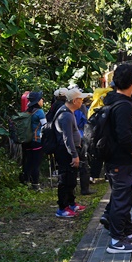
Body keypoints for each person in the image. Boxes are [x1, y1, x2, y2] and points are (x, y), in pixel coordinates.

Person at [100, 64, 132, 253]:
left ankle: (126, 231)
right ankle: (116, 241)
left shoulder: (114, 99)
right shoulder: (124, 107)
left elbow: (130, 96)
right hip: (122, 160)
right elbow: (125, 137)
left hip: (115, 159)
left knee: (122, 197)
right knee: (122, 200)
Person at [54, 88, 88, 218]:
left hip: (70, 149)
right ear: (75, 101)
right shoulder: (66, 115)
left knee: (71, 179)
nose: (82, 102)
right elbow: (67, 137)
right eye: (81, 100)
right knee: (65, 179)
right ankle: (62, 207)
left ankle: (71, 202)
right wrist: (74, 155)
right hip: (66, 151)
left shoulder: (70, 112)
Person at [20, 91, 46, 186]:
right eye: (41, 98)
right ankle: (35, 184)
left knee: (28, 162)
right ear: (37, 101)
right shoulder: (39, 112)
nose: (42, 100)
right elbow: (45, 126)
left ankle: (26, 181)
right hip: (36, 141)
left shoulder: (27, 111)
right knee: (36, 163)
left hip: (26, 141)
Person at [73, 92, 93, 195]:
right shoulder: (81, 109)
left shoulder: (63, 109)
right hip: (80, 137)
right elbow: (85, 123)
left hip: (71, 140)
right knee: (84, 164)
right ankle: (85, 189)